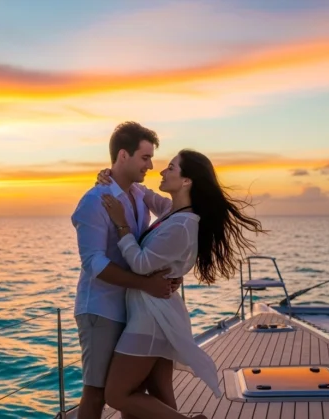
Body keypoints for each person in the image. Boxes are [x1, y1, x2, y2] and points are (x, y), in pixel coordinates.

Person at [96, 149, 265, 419]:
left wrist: (121, 224)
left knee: (117, 394)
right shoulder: (172, 212)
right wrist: (112, 176)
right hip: (156, 312)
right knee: (160, 394)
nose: (162, 171)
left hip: (151, 319)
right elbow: (143, 192)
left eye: (171, 168)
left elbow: (140, 264)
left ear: (186, 181)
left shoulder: (182, 225)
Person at [72, 122, 183, 419]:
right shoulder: (94, 201)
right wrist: (145, 284)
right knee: (96, 393)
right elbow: (93, 263)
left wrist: (175, 268)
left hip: (133, 307)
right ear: (124, 155)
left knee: (131, 391)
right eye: (145, 157)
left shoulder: (138, 194)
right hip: (101, 309)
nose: (151, 165)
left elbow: (177, 217)